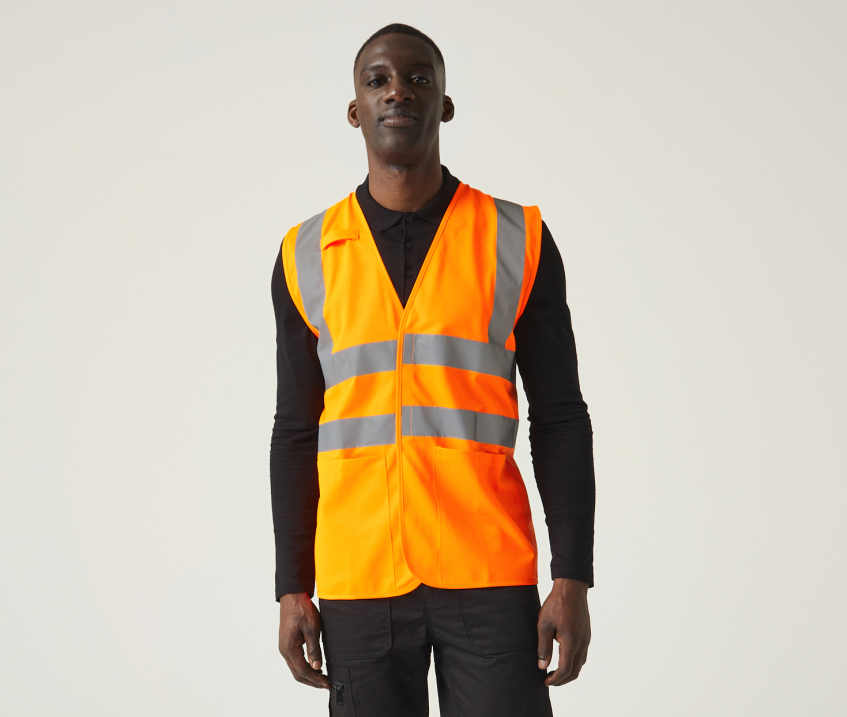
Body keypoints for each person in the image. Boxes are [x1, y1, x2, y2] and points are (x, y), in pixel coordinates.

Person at [270, 23, 595, 717]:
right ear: (355, 109)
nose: (398, 92)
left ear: (444, 104)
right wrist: (291, 584)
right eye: (378, 80)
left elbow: (561, 417)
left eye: (418, 78)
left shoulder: (516, 238)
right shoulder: (306, 254)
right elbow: (295, 429)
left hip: (486, 569)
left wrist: (572, 576)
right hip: (359, 576)